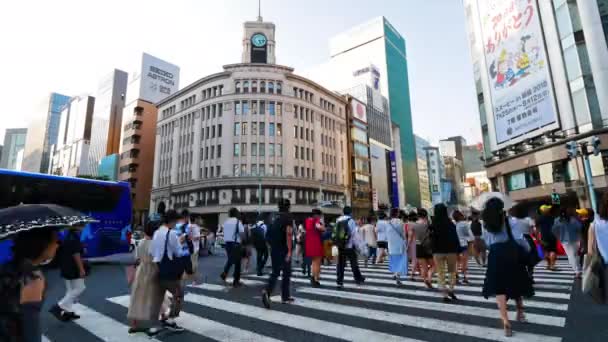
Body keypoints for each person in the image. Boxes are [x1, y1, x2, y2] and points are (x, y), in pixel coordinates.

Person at [481, 197, 534, 337]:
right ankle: (520, 313)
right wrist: (527, 249)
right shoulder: (510, 221)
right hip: (511, 254)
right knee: (516, 283)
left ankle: (505, 322)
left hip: (495, 255)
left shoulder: (485, 224)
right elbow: (519, 238)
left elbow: (486, 242)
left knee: (499, 289)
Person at [0, 228, 60, 342]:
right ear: (42, 245)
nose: (57, 245)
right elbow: (31, 327)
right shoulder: (32, 278)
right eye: (55, 241)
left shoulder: (8, 267)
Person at [149, 209, 186, 333]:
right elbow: (178, 252)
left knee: (157, 297)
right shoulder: (171, 234)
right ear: (172, 221)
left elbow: (152, 252)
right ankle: (170, 319)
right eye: (175, 221)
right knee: (179, 294)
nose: (176, 224)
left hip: (156, 267)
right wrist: (181, 241)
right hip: (169, 270)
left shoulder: (156, 233)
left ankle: (154, 324)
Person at [127, 221, 164, 334]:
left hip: (141, 270)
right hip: (152, 270)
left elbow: (137, 258)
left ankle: (134, 324)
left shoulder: (141, 242)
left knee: (137, 296)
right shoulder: (154, 243)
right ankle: (159, 319)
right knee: (155, 295)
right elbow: (157, 260)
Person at [50, 226, 87, 321]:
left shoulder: (68, 236)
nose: (84, 227)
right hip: (73, 267)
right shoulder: (74, 237)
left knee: (70, 290)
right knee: (80, 288)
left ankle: (68, 312)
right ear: (77, 226)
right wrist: (81, 269)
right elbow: (76, 254)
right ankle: (59, 306)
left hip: (65, 266)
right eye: (82, 225)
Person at [262, 199, 294, 308]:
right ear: (288, 207)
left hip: (274, 248)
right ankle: (285, 296)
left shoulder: (272, 216)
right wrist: (289, 251)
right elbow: (289, 234)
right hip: (283, 248)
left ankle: (267, 291)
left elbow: (267, 234)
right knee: (286, 272)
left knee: (275, 272)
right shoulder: (288, 217)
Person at [430, 203, 460, 302]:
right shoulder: (451, 223)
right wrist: (458, 251)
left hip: (438, 252)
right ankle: (451, 289)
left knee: (440, 272)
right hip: (451, 251)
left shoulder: (433, 224)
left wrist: (432, 250)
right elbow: (455, 238)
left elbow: (431, 239)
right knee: (452, 271)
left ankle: (444, 294)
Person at [334, 206, 365, 288]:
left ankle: (339, 281)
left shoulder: (338, 220)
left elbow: (336, 232)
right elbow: (354, 234)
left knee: (340, 264)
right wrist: (359, 246)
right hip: (349, 245)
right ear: (350, 212)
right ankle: (358, 278)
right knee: (354, 263)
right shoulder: (351, 220)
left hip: (340, 245)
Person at [510, 204, 541, 281]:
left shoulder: (511, 220)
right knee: (531, 259)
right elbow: (534, 231)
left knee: (518, 259)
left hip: (515, 240)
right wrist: (538, 240)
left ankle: (521, 276)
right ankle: (530, 275)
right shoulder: (528, 219)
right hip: (527, 239)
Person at [553, 207, 583, 277]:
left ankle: (577, 271)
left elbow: (554, 230)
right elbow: (580, 227)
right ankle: (578, 269)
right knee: (575, 255)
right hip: (575, 239)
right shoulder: (573, 219)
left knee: (571, 256)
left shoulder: (557, 220)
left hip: (564, 241)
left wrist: (559, 237)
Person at [220, 208, 245, 287]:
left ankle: (225, 273)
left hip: (227, 244)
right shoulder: (238, 222)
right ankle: (236, 281)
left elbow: (223, 232)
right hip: (236, 244)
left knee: (230, 259)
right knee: (237, 263)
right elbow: (242, 234)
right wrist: (243, 242)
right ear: (236, 214)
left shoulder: (225, 222)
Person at [412, 208, 434, 288]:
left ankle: (426, 282)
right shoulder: (428, 223)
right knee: (434, 265)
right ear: (426, 215)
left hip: (418, 246)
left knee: (423, 267)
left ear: (418, 215)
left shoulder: (414, 225)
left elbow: (413, 237)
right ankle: (429, 278)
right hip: (428, 246)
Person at [386, 208, 408, 285]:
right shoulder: (400, 222)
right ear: (397, 214)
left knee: (394, 260)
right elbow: (403, 234)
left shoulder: (388, 222)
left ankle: (395, 273)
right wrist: (405, 241)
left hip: (391, 244)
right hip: (399, 244)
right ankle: (397, 277)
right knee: (401, 260)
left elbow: (387, 235)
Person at [305, 209, 325, 287]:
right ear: (316, 215)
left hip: (309, 243)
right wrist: (322, 223)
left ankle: (313, 277)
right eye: (319, 215)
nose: (320, 217)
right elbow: (322, 228)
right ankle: (315, 280)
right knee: (317, 262)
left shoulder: (307, 221)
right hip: (316, 243)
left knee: (313, 262)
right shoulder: (316, 221)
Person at [453, 210, 474, 284]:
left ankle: (456, 276)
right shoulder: (465, 224)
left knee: (456, 261)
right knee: (464, 261)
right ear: (461, 216)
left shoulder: (453, 224)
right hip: (463, 244)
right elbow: (470, 235)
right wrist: (471, 241)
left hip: (455, 244)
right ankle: (465, 277)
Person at [537, 205, 557, 270]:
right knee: (553, 251)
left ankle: (548, 265)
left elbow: (536, 229)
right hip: (552, 236)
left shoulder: (539, 219)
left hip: (544, 237)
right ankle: (552, 265)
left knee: (546, 251)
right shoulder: (553, 217)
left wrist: (538, 238)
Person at [189, 215, 202, 284]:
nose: (200, 221)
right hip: (195, 248)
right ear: (196, 219)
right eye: (199, 219)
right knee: (194, 264)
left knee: (191, 263)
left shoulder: (189, 226)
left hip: (189, 247)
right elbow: (197, 237)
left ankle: (194, 279)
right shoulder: (196, 227)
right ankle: (194, 280)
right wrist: (192, 238)